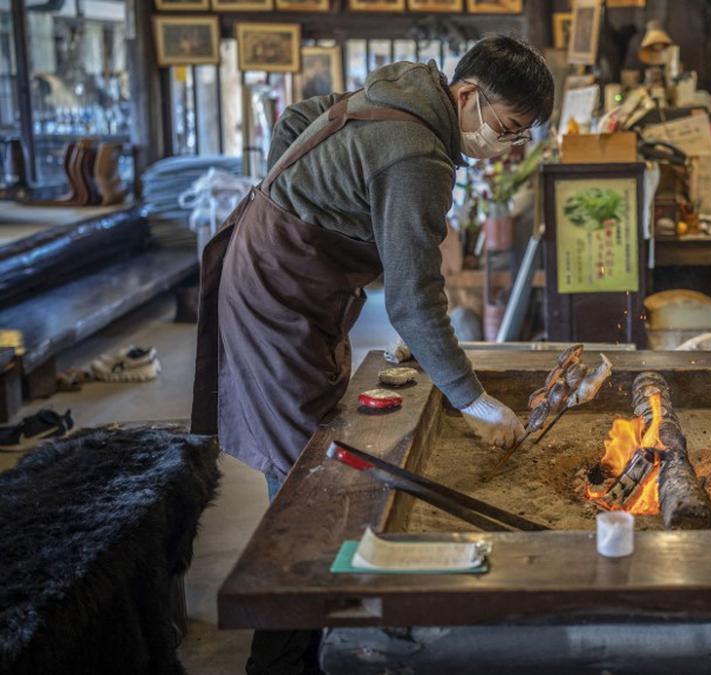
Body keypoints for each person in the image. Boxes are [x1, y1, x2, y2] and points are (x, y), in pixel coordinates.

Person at [190, 35, 555, 674]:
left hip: (282, 263)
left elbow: (300, 118)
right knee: (310, 482)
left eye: (521, 136)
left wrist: (296, 197)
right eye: (509, 127)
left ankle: (306, 626)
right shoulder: (418, 153)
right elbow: (414, 301)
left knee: (316, 449)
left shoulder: (411, 87)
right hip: (280, 288)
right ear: (468, 96)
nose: (509, 144)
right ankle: (286, 654)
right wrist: (472, 399)